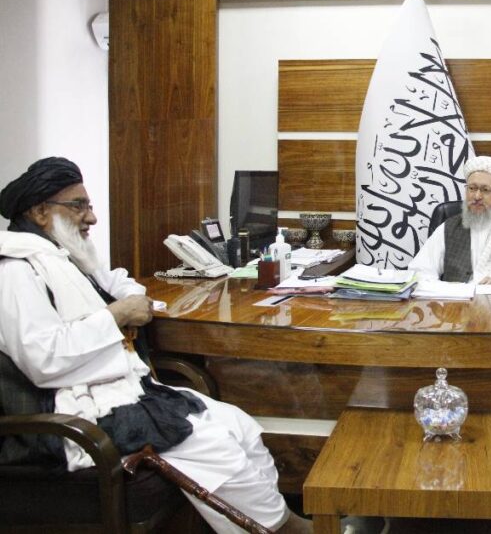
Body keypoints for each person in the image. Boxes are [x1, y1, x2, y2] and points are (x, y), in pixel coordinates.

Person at [0, 157, 315, 534]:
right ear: (39, 212)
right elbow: (43, 358)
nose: (91, 217)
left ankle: (277, 521)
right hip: (73, 416)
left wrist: (129, 301)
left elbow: (117, 281)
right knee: (214, 445)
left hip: (120, 392)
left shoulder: (62, 255)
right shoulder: (16, 270)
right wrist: (117, 315)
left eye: (89, 205)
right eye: (78, 206)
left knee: (239, 425)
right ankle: (280, 528)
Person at [408, 155, 491, 285]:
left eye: (485, 190)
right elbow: (419, 273)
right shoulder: (448, 227)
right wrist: (451, 290)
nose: (477, 196)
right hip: (456, 302)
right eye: (472, 188)